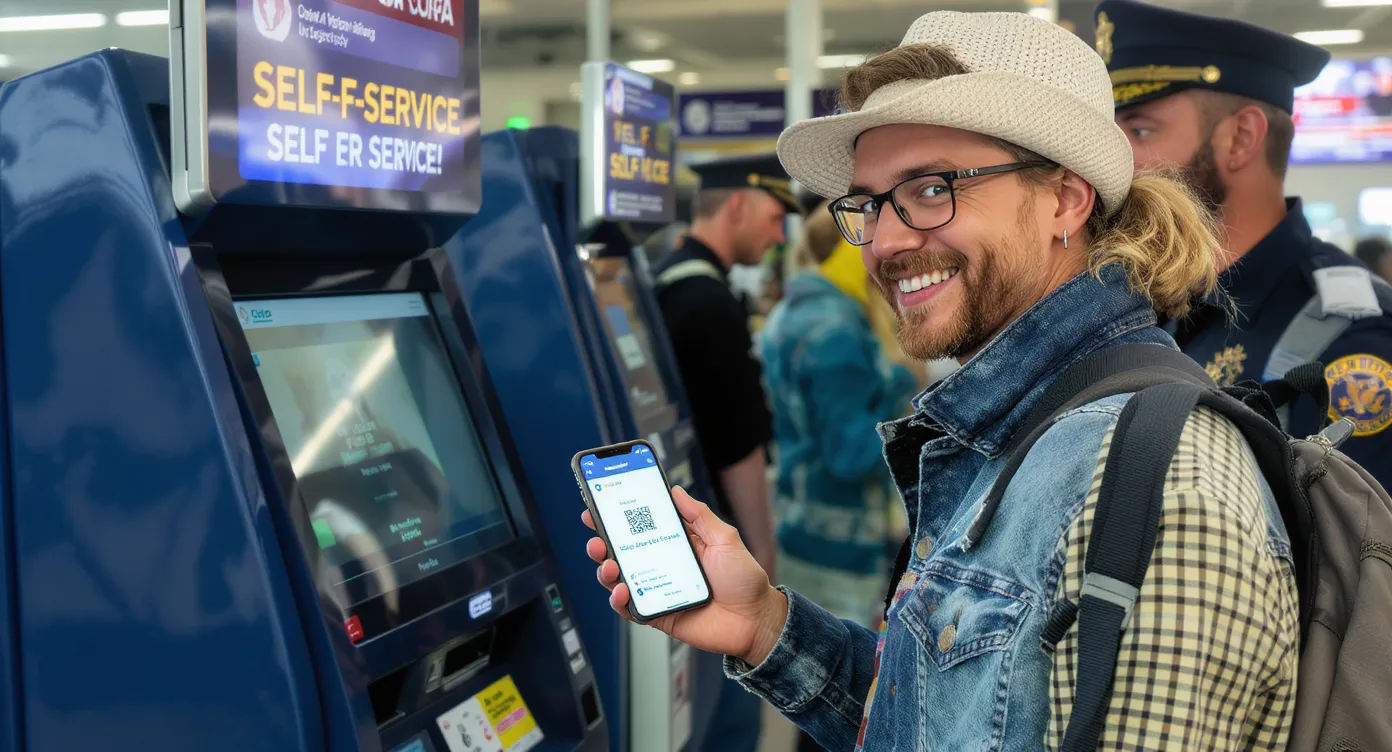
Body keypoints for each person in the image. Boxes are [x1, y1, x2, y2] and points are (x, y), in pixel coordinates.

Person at [584, 11, 1302, 751]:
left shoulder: (1158, 489)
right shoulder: (1026, 430)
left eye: (932, 189)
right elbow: (956, 716)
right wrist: (766, 624)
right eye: (870, 202)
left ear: (1065, 200)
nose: (887, 241)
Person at [1098, 0, 1392, 485]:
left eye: (1141, 129)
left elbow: (1351, 551)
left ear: (1240, 139)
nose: (1117, 161)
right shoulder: (1142, 304)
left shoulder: (1351, 339)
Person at [649, 154, 797, 752]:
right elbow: (737, 444)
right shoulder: (707, 302)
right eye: (771, 215)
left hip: (677, 522)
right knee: (725, 717)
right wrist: (761, 552)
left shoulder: (657, 279)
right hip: (712, 537)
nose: (777, 232)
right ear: (736, 205)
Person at [760, 206, 921, 752]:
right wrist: (903, 382)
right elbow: (852, 453)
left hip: (804, 524)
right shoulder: (837, 331)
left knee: (811, 681)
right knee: (840, 694)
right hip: (845, 545)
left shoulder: (795, 311)